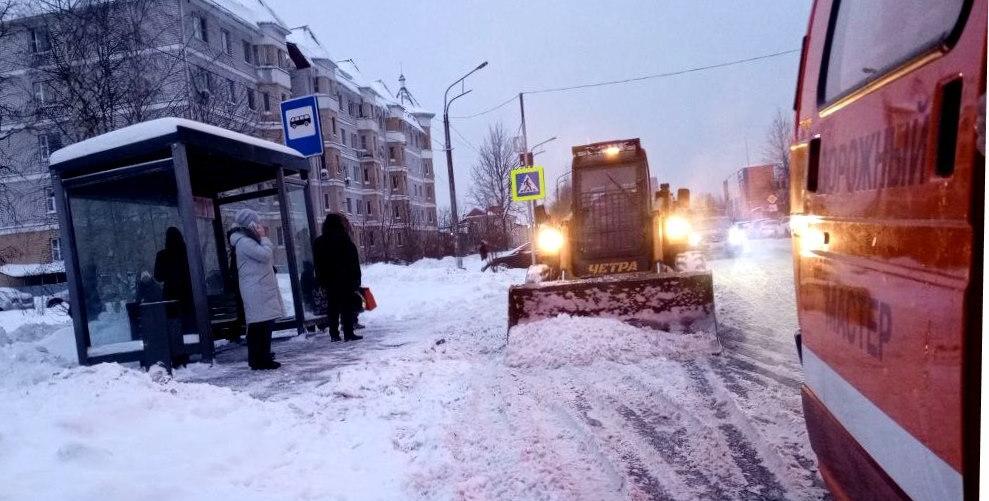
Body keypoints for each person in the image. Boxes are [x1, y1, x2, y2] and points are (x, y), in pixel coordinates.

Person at [229, 209, 284, 370]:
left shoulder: (246, 240)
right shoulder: (245, 242)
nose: (260, 226)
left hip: (259, 287)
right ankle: (259, 359)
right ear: (250, 224)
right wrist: (264, 238)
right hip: (256, 288)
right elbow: (265, 255)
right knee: (259, 325)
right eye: (257, 223)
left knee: (262, 324)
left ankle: (261, 357)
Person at [314, 213, 363, 342]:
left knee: (332, 307)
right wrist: (357, 279)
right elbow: (354, 262)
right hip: (346, 279)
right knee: (347, 306)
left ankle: (334, 334)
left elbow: (318, 263)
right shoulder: (345, 240)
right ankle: (348, 332)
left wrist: (321, 279)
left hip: (329, 280)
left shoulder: (319, 242)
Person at [154, 227, 195, 333]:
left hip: (170, 296)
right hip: (187, 294)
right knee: (190, 325)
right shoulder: (188, 253)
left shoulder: (162, 255)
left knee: (174, 327)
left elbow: (158, 276)